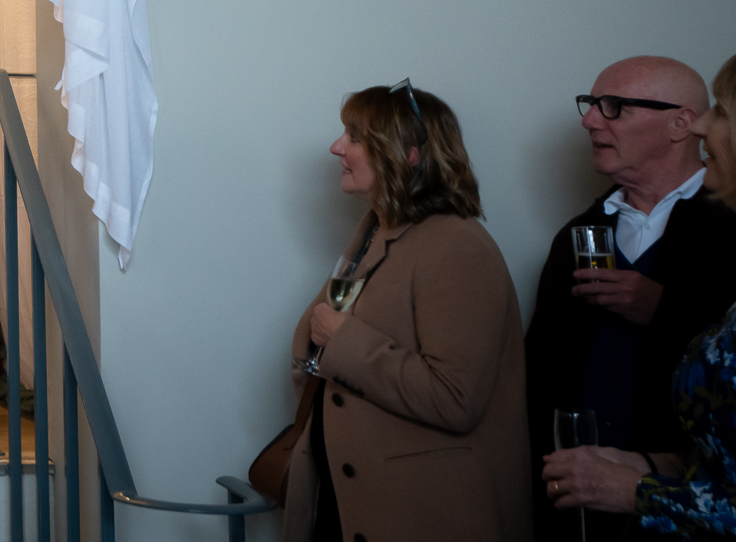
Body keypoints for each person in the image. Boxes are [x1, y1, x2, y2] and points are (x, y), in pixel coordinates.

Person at [282, 82, 531, 542]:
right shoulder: (377, 230)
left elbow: (454, 398)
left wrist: (342, 340)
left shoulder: (457, 246)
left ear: (408, 155)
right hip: (354, 500)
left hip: (421, 514)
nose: (336, 147)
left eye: (355, 138)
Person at [525, 56, 733, 541]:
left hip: (691, 513)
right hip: (577, 503)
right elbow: (539, 373)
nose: (589, 120)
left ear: (681, 123)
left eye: (614, 106)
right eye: (591, 104)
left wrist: (664, 310)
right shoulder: (576, 236)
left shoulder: (730, 226)